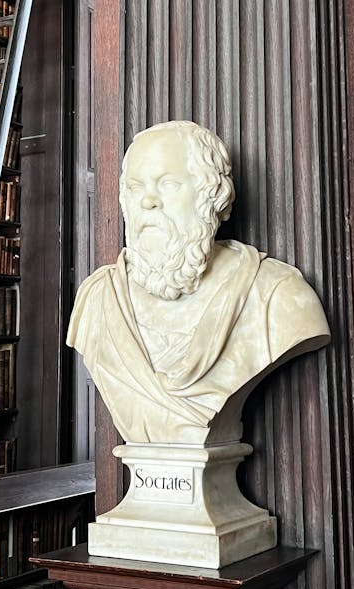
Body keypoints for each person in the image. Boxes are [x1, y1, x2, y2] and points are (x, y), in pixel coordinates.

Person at [67, 120, 331, 445]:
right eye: (135, 187)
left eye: (167, 184)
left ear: (210, 197)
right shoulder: (98, 300)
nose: (148, 201)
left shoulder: (275, 297)